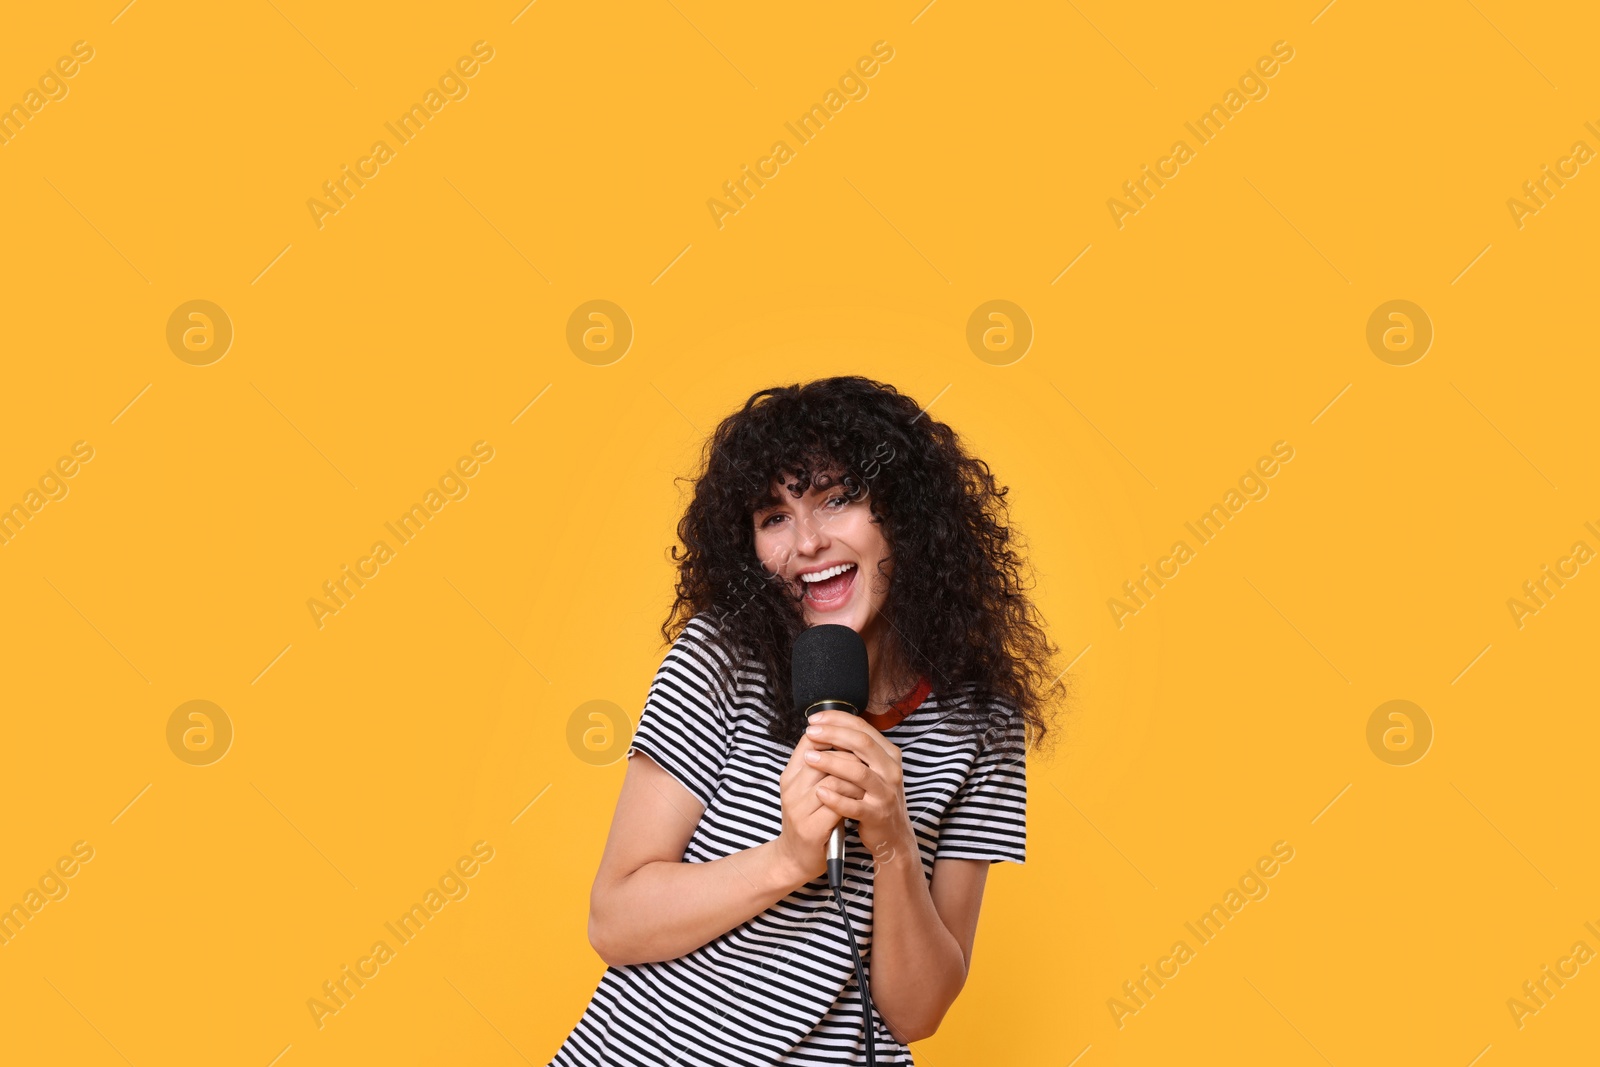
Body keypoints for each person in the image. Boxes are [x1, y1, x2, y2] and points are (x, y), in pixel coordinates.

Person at [547, 375, 1064, 1066]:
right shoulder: (721, 657)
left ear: (904, 515)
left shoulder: (979, 722)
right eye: (774, 517)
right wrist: (787, 859)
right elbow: (614, 919)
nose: (808, 541)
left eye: (838, 498)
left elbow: (917, 1012)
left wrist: (892, 838)